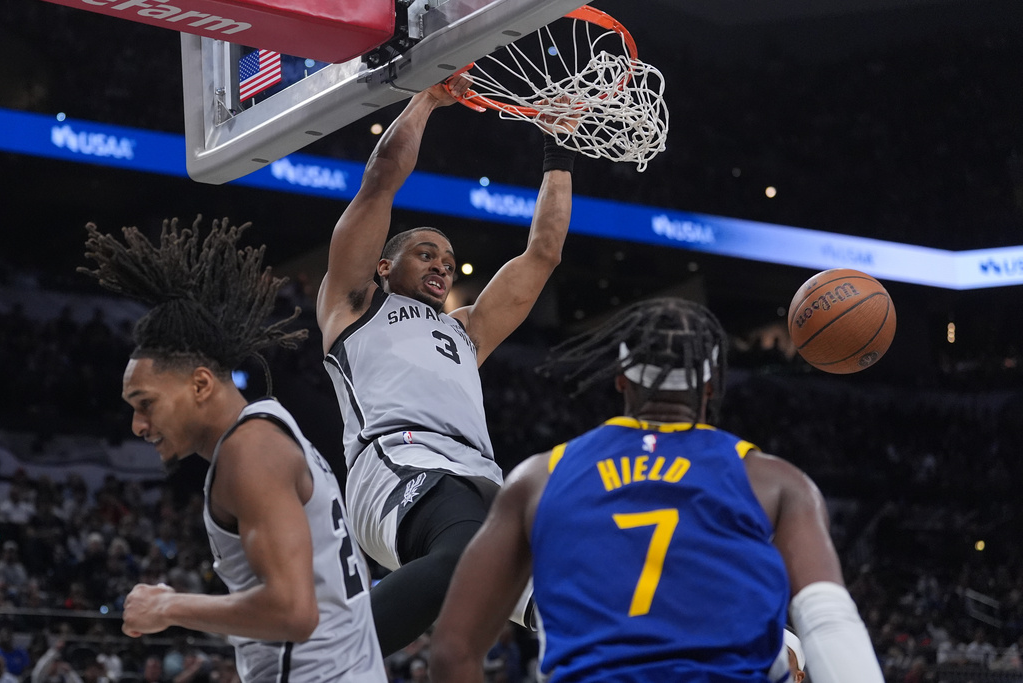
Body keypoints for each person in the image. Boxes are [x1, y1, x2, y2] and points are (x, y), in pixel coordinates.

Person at [429, 297, 885, 683]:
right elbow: (829, 622)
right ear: (710, 386)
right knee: (788, 651)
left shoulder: (538, 477)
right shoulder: (775, 481)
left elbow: (452, 650)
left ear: (622, 379)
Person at [316, 76, 577, 655]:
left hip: (478, 478)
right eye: (426, 253)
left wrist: (557, 150)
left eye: (450, 260)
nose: (442, 265)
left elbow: (544, 252)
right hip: (395, 463)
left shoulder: (465, 330)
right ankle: (324, 664)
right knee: (461, 555)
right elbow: (381, 181)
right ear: (384, 266)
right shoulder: (356, 303)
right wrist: (427, 99)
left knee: (578, 601)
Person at [79, 218, 387, 683]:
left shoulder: (250, 453)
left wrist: (168, 606)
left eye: (146, 405)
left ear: (200, 383)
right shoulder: (268, 429)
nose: (138, 426)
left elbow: (293, 612)